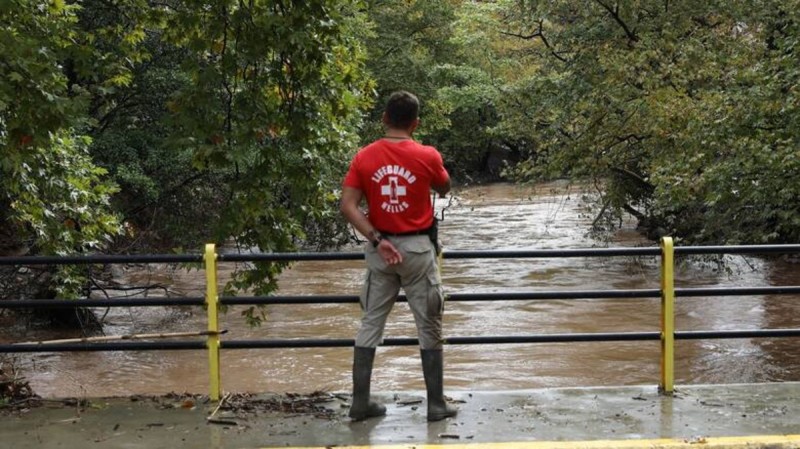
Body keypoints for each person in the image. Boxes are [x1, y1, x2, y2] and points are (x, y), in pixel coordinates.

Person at [340, 91, 456, 422]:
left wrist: (377, 239)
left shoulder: (363, 157)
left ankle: (360, 404)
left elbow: (348, 206)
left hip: (382, 250)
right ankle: (436, 405)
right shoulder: (427, 155)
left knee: (370, 324)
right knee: (429, 324)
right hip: (418, 250)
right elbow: (445, 188)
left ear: (384, 119)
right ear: (415, 123)